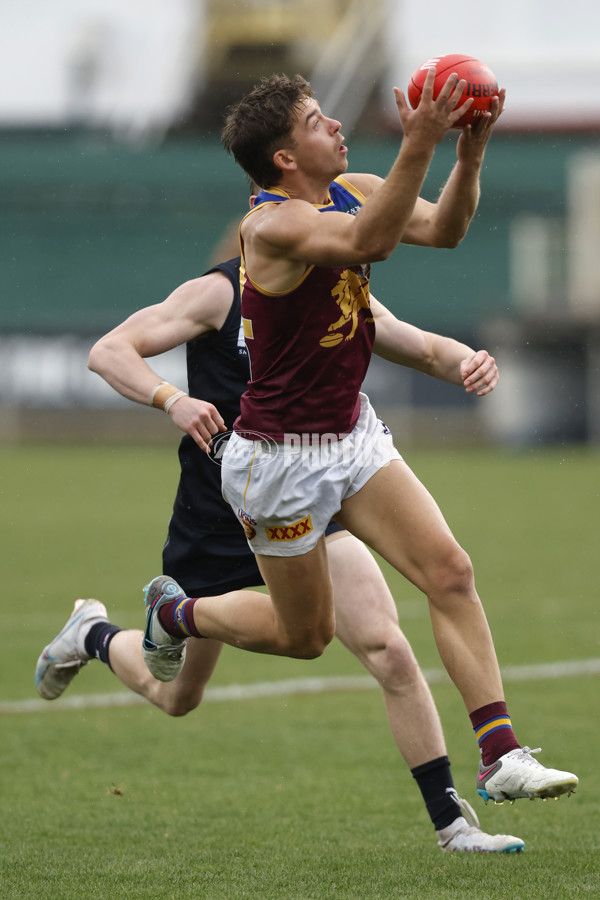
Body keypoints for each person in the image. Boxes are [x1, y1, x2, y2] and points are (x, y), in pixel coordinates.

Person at [133, 72, 577, 807]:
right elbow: (370, 242)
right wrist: (420, 141)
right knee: (305, 635)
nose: (335, 125)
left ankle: (499, 753)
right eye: (315, 121)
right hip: (278, 461)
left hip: (351, 435)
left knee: (451, 572)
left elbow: (443, 230)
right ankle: (176, 613)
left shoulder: (358, 187)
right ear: (284, 158)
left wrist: (470, 152)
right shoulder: (269, 226)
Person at [37, 252, 524, 853]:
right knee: (177, 696)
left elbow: (416, 343)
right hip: (219, 517)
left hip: (310, 499)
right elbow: (109, 351)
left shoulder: (333, 285)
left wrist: (466, 362)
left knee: (389, 650)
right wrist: (171, 398)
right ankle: (93, 634)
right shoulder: (220, 293)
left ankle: (453, 828)